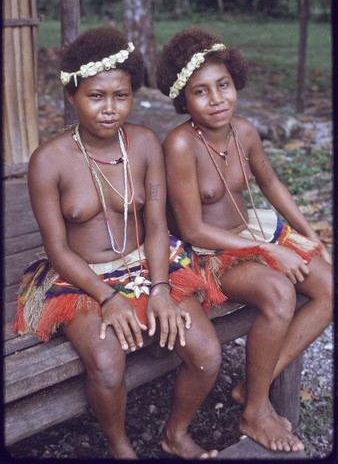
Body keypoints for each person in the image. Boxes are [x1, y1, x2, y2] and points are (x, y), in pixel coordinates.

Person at [13, 27, 222, 460]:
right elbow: (57, 248)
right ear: (72, 95)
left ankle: (175, 434)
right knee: (108, 366)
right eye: (96, 97)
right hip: (82, 277)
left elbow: (157, 224)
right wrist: (107, 297)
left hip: (149, 264)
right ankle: (120, 446)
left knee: (207, 353)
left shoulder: (145, 143)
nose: (110, 110)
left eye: (121, 96)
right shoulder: (48, 161)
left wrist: (161, 288)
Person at [156, 26, 332, 453]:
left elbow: (271, 184)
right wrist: (269, 251)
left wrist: (311, 238)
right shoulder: (181, 145)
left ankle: (258, 380)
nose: (217, 99)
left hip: (254, 232)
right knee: (278, 292)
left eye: (224, 85)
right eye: (202, 92)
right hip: (208, 253)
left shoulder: (245, 131)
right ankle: (256, 409)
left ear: (235, 82)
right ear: (184, 100)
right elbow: (194, 229)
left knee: (329, 286)